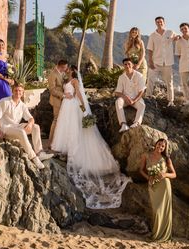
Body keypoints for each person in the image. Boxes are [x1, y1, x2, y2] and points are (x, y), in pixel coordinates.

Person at [51, 66, 130, 208]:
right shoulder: (66, 79)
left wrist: (83, 108)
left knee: (74, 129)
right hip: (66, 105)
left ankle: (73, 150)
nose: (68, 71)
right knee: (65, 127)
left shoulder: (74, 80)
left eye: (70, 70)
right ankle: (65, 148)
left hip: (73, 105)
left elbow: (79, 94)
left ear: (73, 71)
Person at [0, 83, 53, 169]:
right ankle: (34, 157)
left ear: (23, 92)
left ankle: (39, 153)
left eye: (20, 91)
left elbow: (31, 118)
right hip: (5, 128)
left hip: (16, 127)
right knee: (21, 131)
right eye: (16, 90)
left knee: (36, 127)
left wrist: (30, 124)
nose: (18, 92)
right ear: (12, 91)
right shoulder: (4, 101)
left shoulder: (22, 105)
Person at [139, 138, 177, 242]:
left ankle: (163, 236)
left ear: (165, 148)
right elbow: (141, 170)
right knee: (156, 210)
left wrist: (165, 174)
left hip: (164, 186)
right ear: (156, 144)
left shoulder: (166, 158)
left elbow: (174, 174)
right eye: (159, 144)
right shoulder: (146, 155)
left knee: (164, 211)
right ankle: (155, 234)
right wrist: (148, 178)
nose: (160, 147)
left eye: (163, 146)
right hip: (153, 185)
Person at [146, 16, 179, 106]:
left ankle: (171, 101)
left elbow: (177, 38)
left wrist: (176, 38)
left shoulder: (170, 32)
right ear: (155, 23)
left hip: (168, 62)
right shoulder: (152, 35)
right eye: (157, 22)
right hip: (156, 61)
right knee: (150, 79)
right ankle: (148, 97)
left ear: (164, 22)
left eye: (161, 22)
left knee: (169, 82)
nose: (159, 23)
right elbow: (150, 49)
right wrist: (150, 61)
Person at [114, 58, 147, 132]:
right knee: (118, 102)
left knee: (142, 105)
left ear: (132, 65)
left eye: (129, 64)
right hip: (125, 99)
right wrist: (125, 97)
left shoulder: (139, 76)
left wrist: (134, 100)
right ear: (123, 66)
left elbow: (142, 91)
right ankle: (123, 124)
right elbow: (118, 92)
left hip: (136, 99)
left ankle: (136, 123)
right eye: (125, 64)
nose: (127, 66)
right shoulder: (121, 77)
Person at [47, 60, 70, 149]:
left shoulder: (62, 73)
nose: (66, 69)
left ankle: (58, 141)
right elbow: (52, 90)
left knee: (60, 120)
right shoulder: (53, 74)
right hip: (56, 100)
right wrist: (63, 95)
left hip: (62, 100)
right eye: (64, 67)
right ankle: (50, 142)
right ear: (60, 66)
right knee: (56, 120)